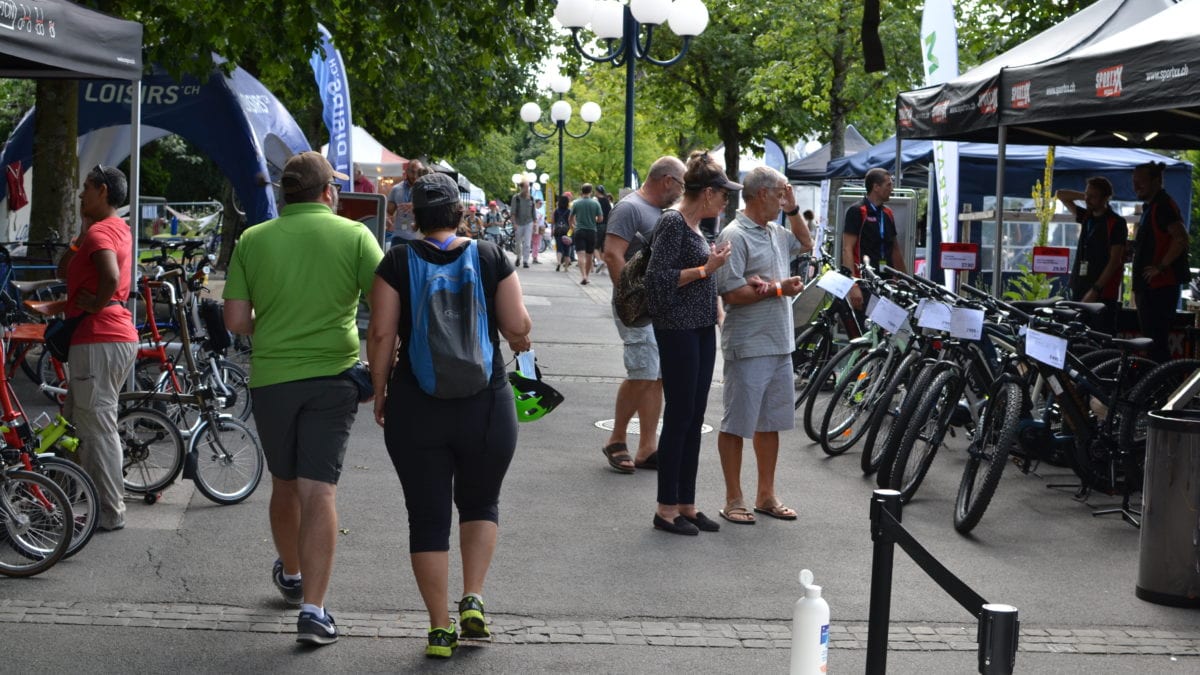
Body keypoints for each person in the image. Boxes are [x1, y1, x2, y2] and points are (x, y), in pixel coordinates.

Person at [367, 172, 532, 658]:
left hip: (417, 405)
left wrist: (381, 393)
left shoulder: (396, 260)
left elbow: (380, 335)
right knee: (482, 503)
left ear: (412, 215)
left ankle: (440, 628)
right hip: (486, 403)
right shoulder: (489, 256)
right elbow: (517, 326)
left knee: (427, 517)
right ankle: (474, 598)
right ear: (460, 212)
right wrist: (523, 338)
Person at [223, 151, 383, 646]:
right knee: (322, 491)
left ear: (284, 194)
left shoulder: (253, 239)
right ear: (327, 192)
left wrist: (272, 329)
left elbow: (234, 322)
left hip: (272, 379)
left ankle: (291, 573)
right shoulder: (355, 236)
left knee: (284, 483)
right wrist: (382, 376)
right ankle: (314, 610)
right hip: (333, 377)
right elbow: (386, 308)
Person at [643, 151, 738, 536]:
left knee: (694, 417)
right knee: (680, 416)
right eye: (724, 194)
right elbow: (657, 280)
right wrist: (706, 269)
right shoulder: (673, 223)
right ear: (709, 193)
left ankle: (687, 503)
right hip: (677, 328)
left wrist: (713, 294)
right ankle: (666, 508)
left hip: (699, 327)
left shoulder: (698, 228)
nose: (727, 201)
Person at [714, 167, 809, 525]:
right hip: (750, 343)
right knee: (738, 422)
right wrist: (779, 289)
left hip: (779, 342)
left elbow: (806, 242)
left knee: (770, 423)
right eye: (779, 194)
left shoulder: (775, 231)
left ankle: (765, 494)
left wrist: (795, 208)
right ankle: (733, 498)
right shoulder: (735, 234)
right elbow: (731, 292)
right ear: (760, 194)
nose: (783, 200)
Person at [57, 164, 139, 533]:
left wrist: (97, 302)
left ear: (102, 190)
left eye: (86, 188)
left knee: (97, 427)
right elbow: (65, 270)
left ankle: (109, 512)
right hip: (110, 337)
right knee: (75, 420)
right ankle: (72, 499)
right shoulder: (114, 229)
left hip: (99, 336)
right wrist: (80, 234)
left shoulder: (102, 232)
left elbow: (107, 275)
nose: (80, 194)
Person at [599, 156, 685, 473]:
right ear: (667, 181)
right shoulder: (630, 208)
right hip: (637, 307)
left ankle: (648, 447)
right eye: (682, 185)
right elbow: (612, 254)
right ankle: (616, 439)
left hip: (655, 307)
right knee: (643, 372)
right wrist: (631, 298)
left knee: (657, 375)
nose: (682, 191)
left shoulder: (659, 212)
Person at [1131, 161, 1190, 362]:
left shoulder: (1163, 205)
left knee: (1155, 344)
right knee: (1152, 342)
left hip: (1159, 287)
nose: (1136, 187)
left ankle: (1160, 388)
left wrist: (1161, 266)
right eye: (1134, 182)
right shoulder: (1152, 206)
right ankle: (1156, 387)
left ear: (1156, 181)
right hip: (1150, 286)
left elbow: (1181, 238)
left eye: (1141, 182)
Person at [1055, 177, 1128, 334]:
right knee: (1077, 333)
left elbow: (1115, 260)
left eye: (1093, 196)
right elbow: (1060, 194)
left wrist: (1096, 289)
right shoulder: (1086, 216)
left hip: (1102, 292)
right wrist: (1087, 196)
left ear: (1105, 198)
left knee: (1100, 335)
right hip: (1080, 285)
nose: (1088, 199)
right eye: (1087, 194)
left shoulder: (1116, 223)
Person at [842, 167, 906, 309]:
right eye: (888, 185)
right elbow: (847, 249)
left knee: (884, 329)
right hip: (865, 283)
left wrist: (904, 281)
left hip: (886, 282)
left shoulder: (888, 213)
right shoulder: (857, 211)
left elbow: (895, 248)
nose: (892, 189)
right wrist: (853, 285)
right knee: (865, 328)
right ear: (876, 187)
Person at [569, 183, 604, 285]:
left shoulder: (576, 203)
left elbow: (570, 218)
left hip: (579, 230)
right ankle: (587, 277)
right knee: (589, 256)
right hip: (591, 231)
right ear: (591, 191)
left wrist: (572, 227)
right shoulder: (595, 203)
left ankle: (583, 275)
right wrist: (594, 220)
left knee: (580, 255)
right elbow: (601, 218)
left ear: (581, 191)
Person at [388, 160, 427, 244]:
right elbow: (389, 211)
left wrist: (416, 205)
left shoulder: (426, 189)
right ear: (407, 171)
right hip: (398, 235)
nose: (415, 175)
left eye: (418, 172)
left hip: (418, 237)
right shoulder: (396, 188)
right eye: (412, 172)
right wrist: (387, 217)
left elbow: (432, 210)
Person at [509, 181, 536, 268]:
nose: (527, 189)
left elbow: (533, 212)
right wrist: (514, 223)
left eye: (528, 187)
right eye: (526, 187)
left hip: (529, 222)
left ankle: (525, 261)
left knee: (527, 243)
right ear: (521, 188)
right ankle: (518, 257)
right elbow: (512, 212)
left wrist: (535, 223)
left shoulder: (531, 198)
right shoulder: (516, 198)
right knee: (518, 243)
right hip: (518, 222)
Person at [553, 194, 573, 271]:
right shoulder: (569, 211)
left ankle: (558, 262)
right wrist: (571, 231)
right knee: (567, 249)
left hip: (558, 231)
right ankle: (566, 268)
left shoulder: (556, 211)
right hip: (567, 231)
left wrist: (553, 230)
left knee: (559, 248)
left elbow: (553, 221)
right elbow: (570, 222)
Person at [595, 184, 612, 272]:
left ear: (597, 191)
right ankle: (603, 268)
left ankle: (599, 261)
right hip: (607, 225)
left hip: (599, 225)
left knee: (595, 246)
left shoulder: (596, 201)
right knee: (603, 246)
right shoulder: (606, 201)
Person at [531, 198, 546, 263]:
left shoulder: (536, 210)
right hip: (536, 229)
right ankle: (535, 258)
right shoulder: (535, 211)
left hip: (538, 229)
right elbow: (535, 220)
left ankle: (535, 257)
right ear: (536, 203)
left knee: (536, 243)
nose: (541, 205)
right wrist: (540, 217)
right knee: (536, 243)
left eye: (541, 203)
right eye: (540, 203)